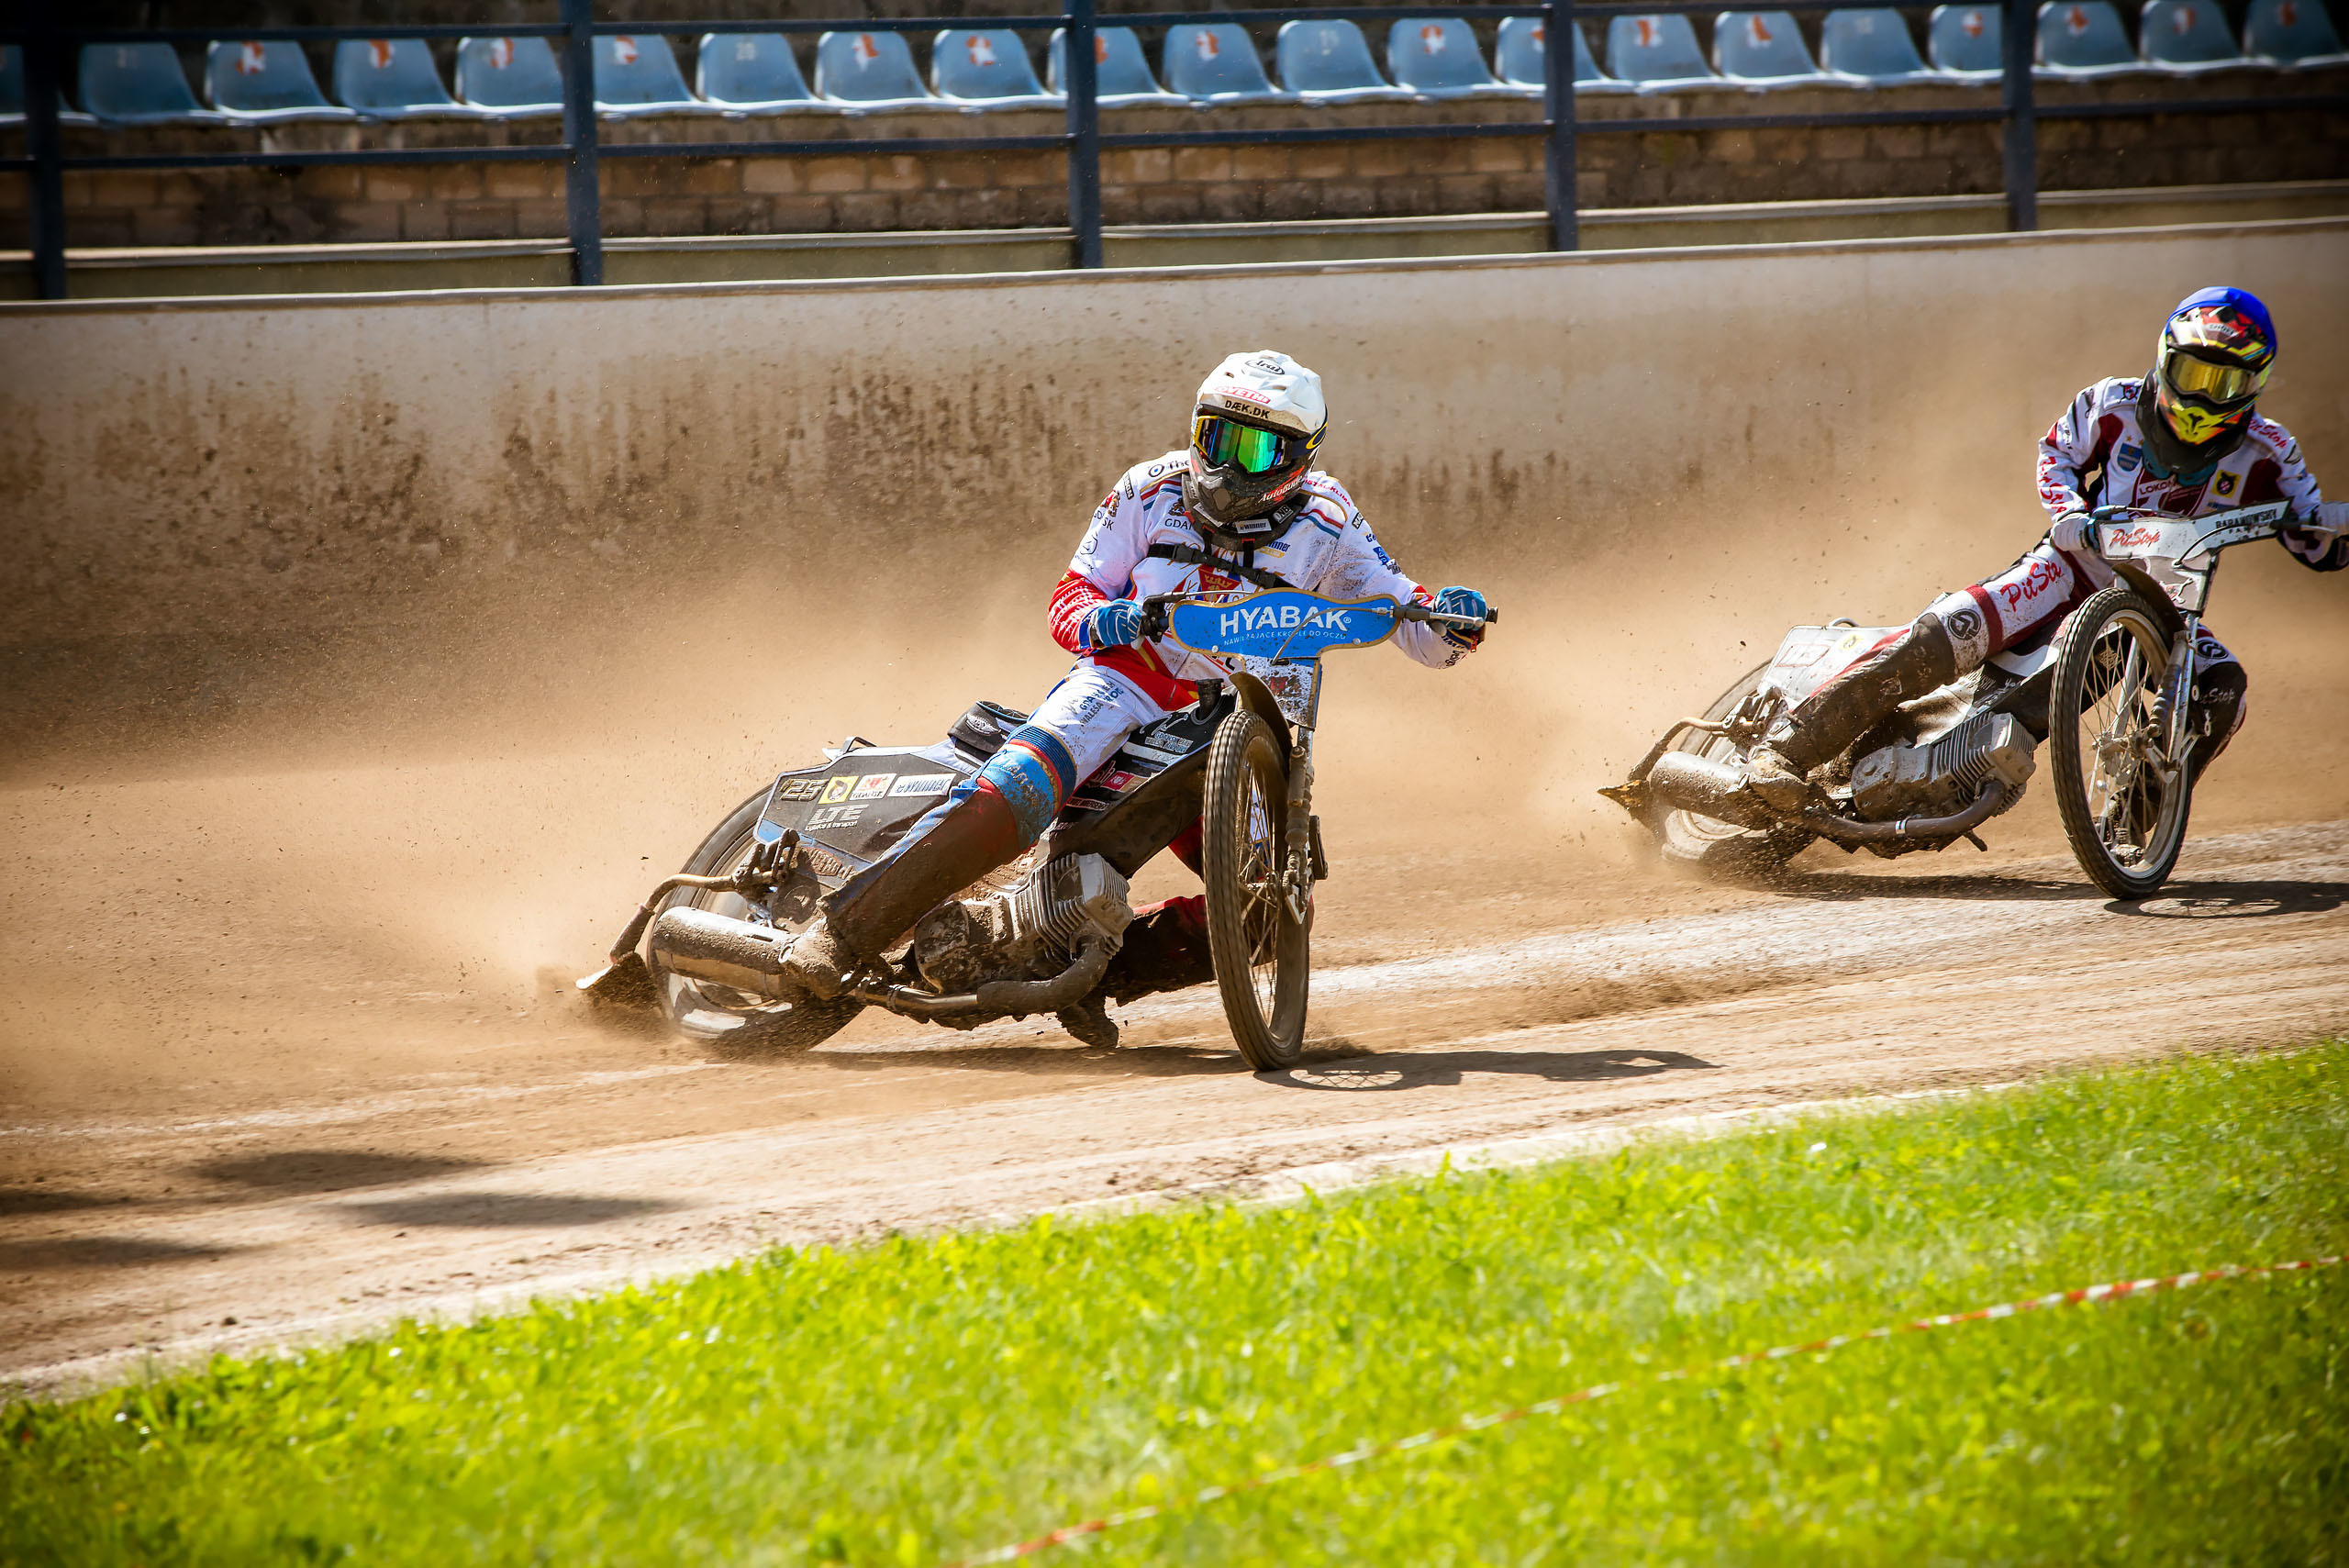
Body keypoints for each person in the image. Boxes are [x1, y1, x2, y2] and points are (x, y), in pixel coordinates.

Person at [775, 349, 1491, 1004]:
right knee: (1011, 795)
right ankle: (839, 934)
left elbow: (1404, 611)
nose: (1231, 466)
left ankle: (1084, 969)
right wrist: (1107, 620)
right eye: (1218, 438)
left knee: (1266, 915)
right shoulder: (1148, 490)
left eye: (1258, 447)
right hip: (1125, 684)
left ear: (1300, 458)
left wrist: (1449, 620)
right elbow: (1069, 597)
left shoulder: (1332, 520)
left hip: (1239, 723)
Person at [1745, 285, 2347, 814]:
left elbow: (2314, 540)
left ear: (2256, 384)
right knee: (1945, 634)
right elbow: (2055, 454)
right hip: (2065, 569)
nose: (2206, 396)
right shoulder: (2110, 404)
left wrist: (2336, 529)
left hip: (2162, 610)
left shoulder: (2271, 452)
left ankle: (2136, 821)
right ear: (2166, 359)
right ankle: (1785, 749)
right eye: (2193, 374)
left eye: (2228, 383)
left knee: (2223, 688)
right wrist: (2070, 514)